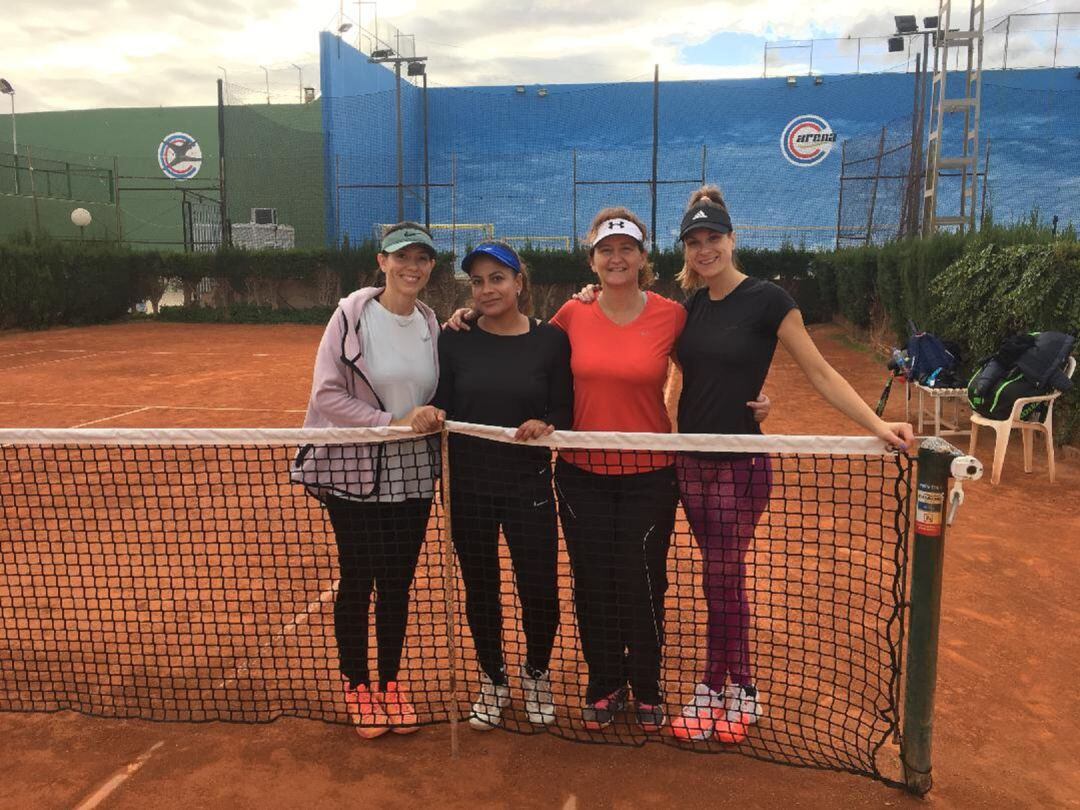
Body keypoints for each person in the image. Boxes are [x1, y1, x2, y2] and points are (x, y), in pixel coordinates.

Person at [663, 187, 915, 744]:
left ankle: (729, 689)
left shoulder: (769, 300)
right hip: (691, 462)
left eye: (714, 239)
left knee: (722, 574)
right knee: (716, 577)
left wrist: (879, 427)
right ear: (686, 250)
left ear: (733, 239)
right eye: (694, 242)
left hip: (742, 462)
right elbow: (679, 372)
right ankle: (726, 689)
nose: (705, 249)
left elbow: (821, 373)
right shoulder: (690, 307)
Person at [292, 222, 445, 739]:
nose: (413, 267)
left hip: (414, 476)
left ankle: (391, 683)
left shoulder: (432, 323)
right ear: (382, 261)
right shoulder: (351, 316)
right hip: (354, 474)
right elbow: (326, 396)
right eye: (403, 257)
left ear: (430, 267)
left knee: (398, 583)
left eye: (423, 258)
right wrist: (392, 424)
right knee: (360, 578)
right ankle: (357, 683)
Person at [433, 241, 572, 731]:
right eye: (477, 280)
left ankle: (536, 672)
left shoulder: (551, 340)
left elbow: (564, 408)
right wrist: (433, 412)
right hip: (467, 487)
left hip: (528, 487)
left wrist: (545, 422)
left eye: (497, 278)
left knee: (538, 587)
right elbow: (442, 400)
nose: (487, 288)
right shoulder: (454, 339)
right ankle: (492, 678)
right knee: (481, 589)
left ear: (519, 283)